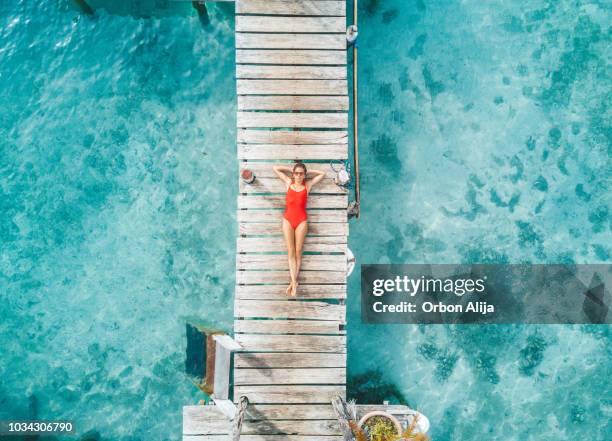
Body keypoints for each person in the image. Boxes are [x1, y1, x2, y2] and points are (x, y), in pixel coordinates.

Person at [273, 162, 326, 296]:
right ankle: (294, 281)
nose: (298, 175)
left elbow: (322, 174)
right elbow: (275, 168)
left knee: (298, 251)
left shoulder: (307, 186)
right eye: (296, 173)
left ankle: (293, 283)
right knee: (290, 251)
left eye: (301, 173)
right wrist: (290, 169)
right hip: (287, 220)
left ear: (304, 175)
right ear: (293, 174)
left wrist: (308, 172)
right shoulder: (288, 183)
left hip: (302, 221)